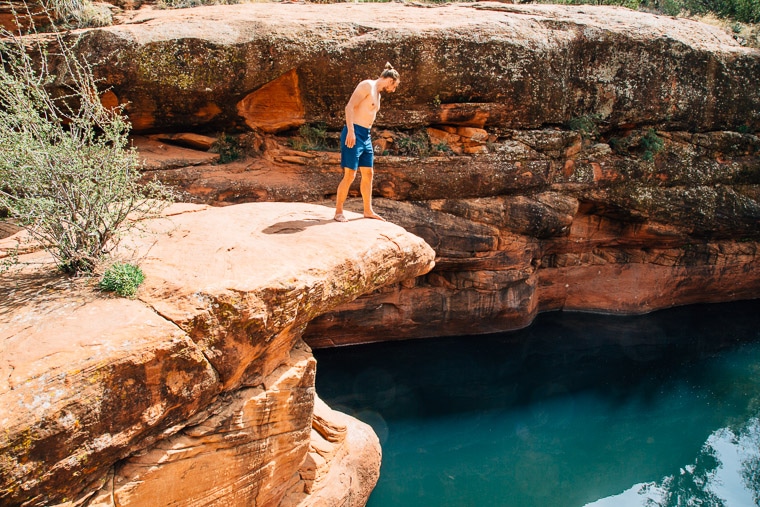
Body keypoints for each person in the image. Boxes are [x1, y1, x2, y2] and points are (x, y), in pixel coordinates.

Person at [334, 62, 400, 223]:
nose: (394, 89)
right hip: (354, 132)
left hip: (366, 135)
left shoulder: (378, 94)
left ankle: (368, 210)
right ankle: (338, 211)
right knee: (350, 174)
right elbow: (349, 107)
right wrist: (350, 131)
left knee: (368, 174)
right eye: (395, 86)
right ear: (390, 80)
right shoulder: (366, 85)